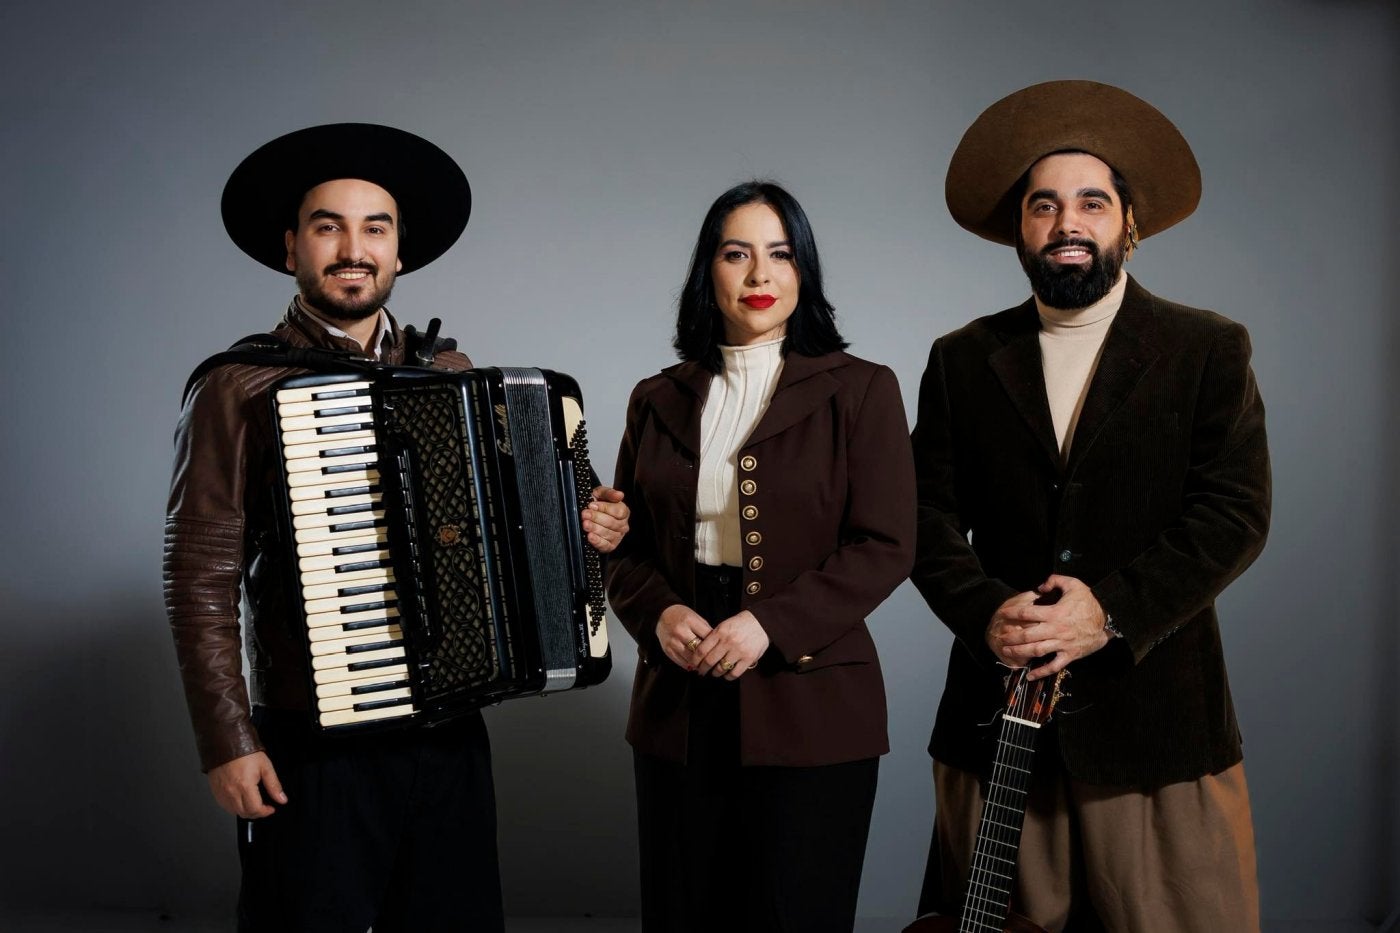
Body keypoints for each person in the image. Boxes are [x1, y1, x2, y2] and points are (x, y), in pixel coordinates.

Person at [163, 122, 629, 933]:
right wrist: (226, 740)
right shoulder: (238, 384)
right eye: (327, 226)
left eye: (374, 228)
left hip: (449, 731)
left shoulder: (452, 374)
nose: (353, 247)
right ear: (291, 251)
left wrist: (590, 529)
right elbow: (198, 573)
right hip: (311, 740)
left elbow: (517, 540)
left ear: (399, 253)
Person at [910, 81, 1270, 931]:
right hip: (996, 723)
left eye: (1091, 202)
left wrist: (1107, 614)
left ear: (1128, 225)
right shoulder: (962, 358)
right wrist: (986, 610)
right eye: (1045, 205)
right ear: (1022, 230)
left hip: (1157, 729)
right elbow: (920, 517)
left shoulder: (1206, 348)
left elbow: (1234, 514)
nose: (1067, 222)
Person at [606, 180, 916, 932]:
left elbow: (887, 544)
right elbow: (623, 547)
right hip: (679, 697)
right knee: (684, 913)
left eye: (780, 254)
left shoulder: (863, 390)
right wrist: (660, 612)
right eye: (736, 253)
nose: (758, 276)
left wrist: (767, 626)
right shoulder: (657, 397)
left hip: (810, 700)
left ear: (803, 272)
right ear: (706, 271)